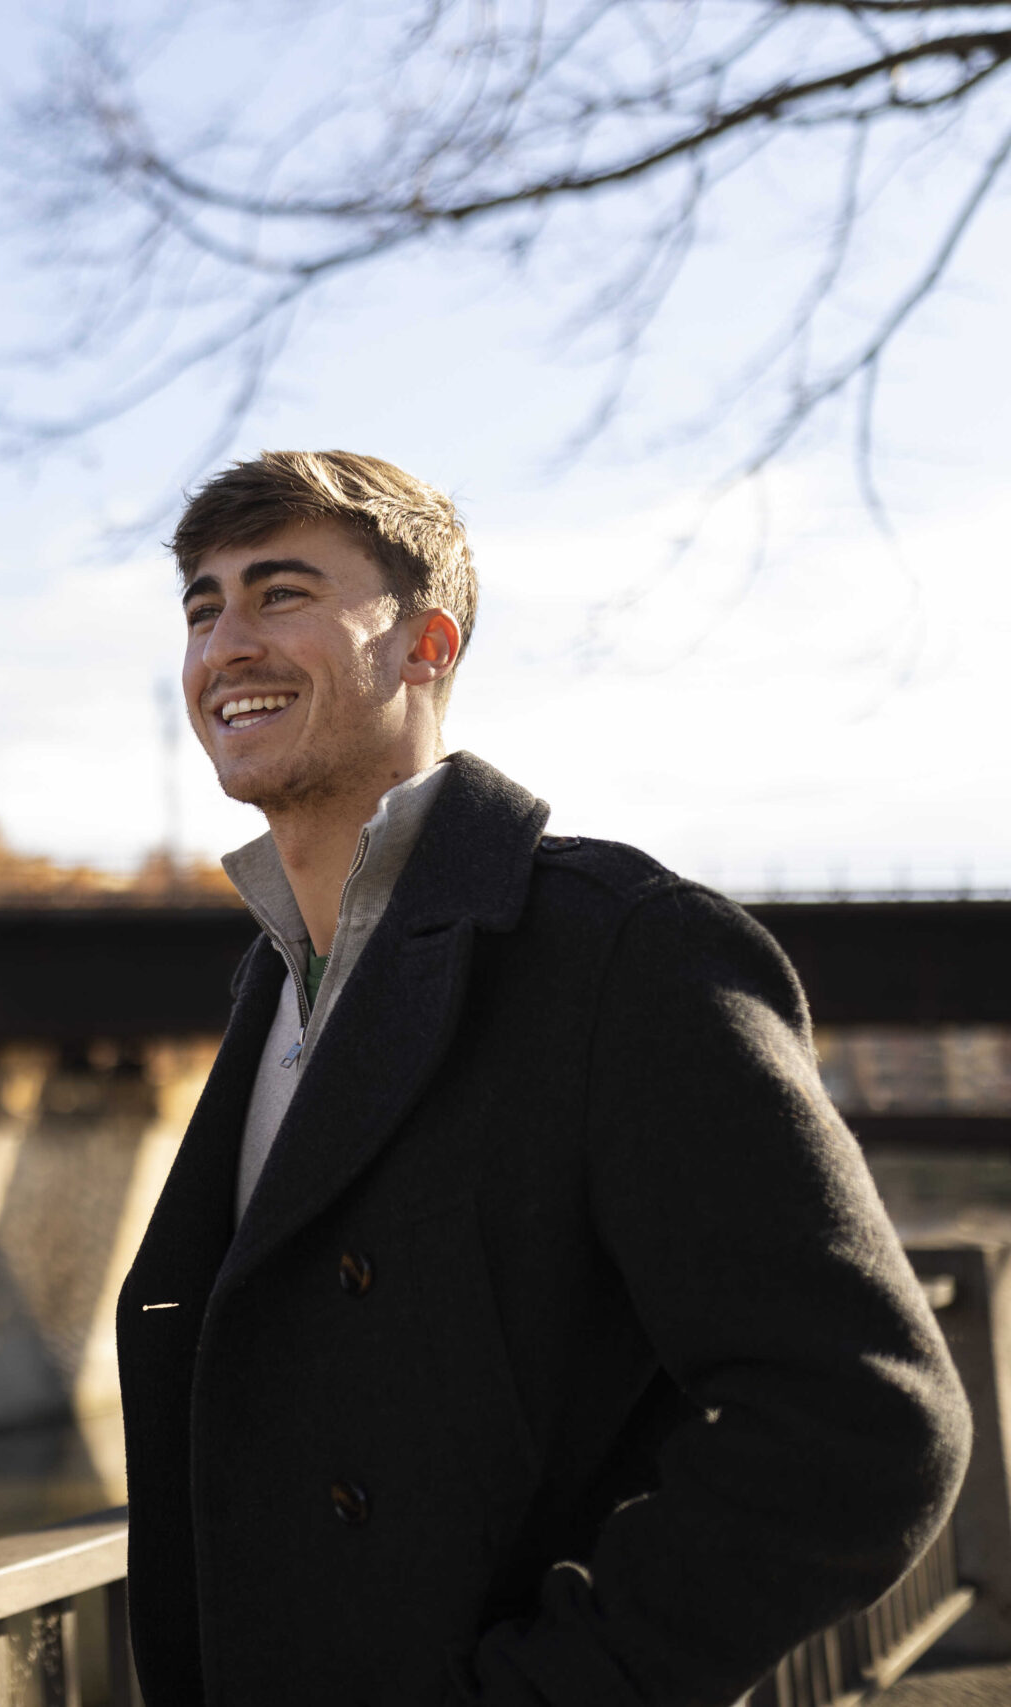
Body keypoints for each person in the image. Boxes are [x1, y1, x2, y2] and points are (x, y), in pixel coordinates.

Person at [115, 451, 972, 1705]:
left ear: (426, 645)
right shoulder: (273, 988)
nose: (223, 645)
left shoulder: (619, 949)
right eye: (202, 607)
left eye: (280, 594)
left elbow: (867, 1421)